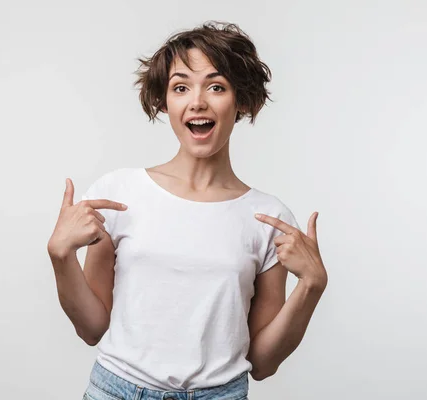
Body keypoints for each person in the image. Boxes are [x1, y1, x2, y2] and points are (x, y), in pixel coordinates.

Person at [47, 21, 328, 400]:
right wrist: (60, 256)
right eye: (181, 87)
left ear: (241, 100)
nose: (197, 102)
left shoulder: (267, 217)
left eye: (216, 86)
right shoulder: (119, 193)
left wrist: (312, 286)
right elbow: (91, 328)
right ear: (165, 102)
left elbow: (262, 363)